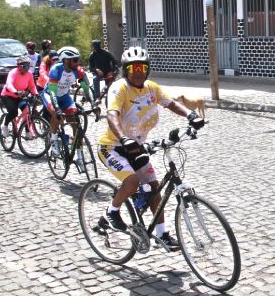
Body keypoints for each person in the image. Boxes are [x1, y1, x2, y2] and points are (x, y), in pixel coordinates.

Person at [96, 46, 205, 249]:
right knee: (132, 181)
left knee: (155, 189)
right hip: (112, 146)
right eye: (133, 67)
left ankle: (162, 234)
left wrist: (191, 116)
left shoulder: (151, 88)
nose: (138, 71)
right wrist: (123, 138)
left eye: (142, 67)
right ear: (126, 70)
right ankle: (112, 211)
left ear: (147, 69)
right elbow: (112, 114)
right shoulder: (119, 88)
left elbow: (171, 103)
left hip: (136, 147)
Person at [45, 46, 93, 157]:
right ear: (66, 60)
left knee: (76, 123)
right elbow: (52, 93)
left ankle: (79, 154)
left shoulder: (78, 71)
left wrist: (93, 103)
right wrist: (57, 109)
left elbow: (86, 88)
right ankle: (53, 140)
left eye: (78, 59)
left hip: (64, 96)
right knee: (56, 115)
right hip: (50, 95)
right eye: (75, 60)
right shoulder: (56, 70)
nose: (78, 63)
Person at [0, 55, 38, 138]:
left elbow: (32, 86)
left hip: (20, 96)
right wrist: (15, 91)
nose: (27, 68)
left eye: (28, 66)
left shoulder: (29, 74)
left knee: (27, 112)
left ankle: (28, 132)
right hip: (8, 95)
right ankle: (5, 125)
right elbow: (9, 84)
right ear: (19, 66)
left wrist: (36, 93)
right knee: (14, 112)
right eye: (25, 66)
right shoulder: (13, 72)